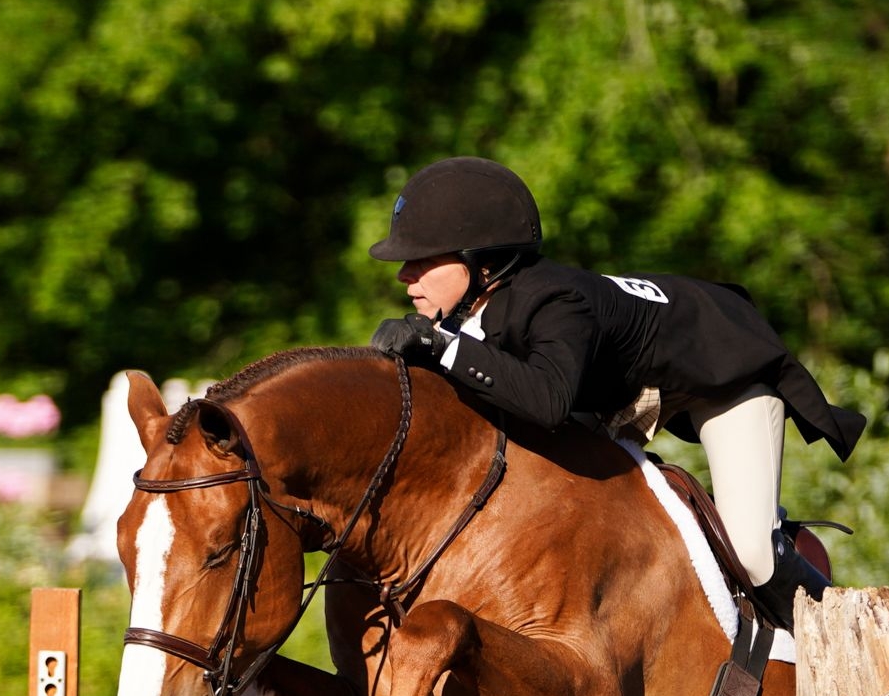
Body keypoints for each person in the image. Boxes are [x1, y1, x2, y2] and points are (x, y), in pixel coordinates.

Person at [365, 157, 863, 617]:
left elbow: (549, 402)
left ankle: (848, 631)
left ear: (483, 262)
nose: (406, 276)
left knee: (751, 553)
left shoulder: (555, 300)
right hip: (627, 389)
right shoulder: (476, 310)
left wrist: (441, 347)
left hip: (726, 368)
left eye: (423, 261)